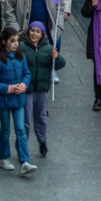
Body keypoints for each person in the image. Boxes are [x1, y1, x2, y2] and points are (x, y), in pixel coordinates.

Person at [0, 27, 36, 176]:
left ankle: (24, 161)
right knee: (6, 129)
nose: (15, 44)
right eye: (12, 41)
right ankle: (3, 157)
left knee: (21, 129)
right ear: (4, 42)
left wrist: (23, 85)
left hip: (18, 99)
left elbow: (27, 73)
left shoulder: (20, 56)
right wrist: (10, 88)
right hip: (4, 101)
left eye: (17, 41)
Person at [20, 21, 64, 157]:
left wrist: (56, 58)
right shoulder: (21, 47)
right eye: (32, 30)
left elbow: (60, 64)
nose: (34, 33)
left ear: (42, 34)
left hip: (41, 88)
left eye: (37, 31)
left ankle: (42, 141)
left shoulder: (49, 48)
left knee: (41, 117)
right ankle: (23, 145)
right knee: (25, 118)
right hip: (26, 88)